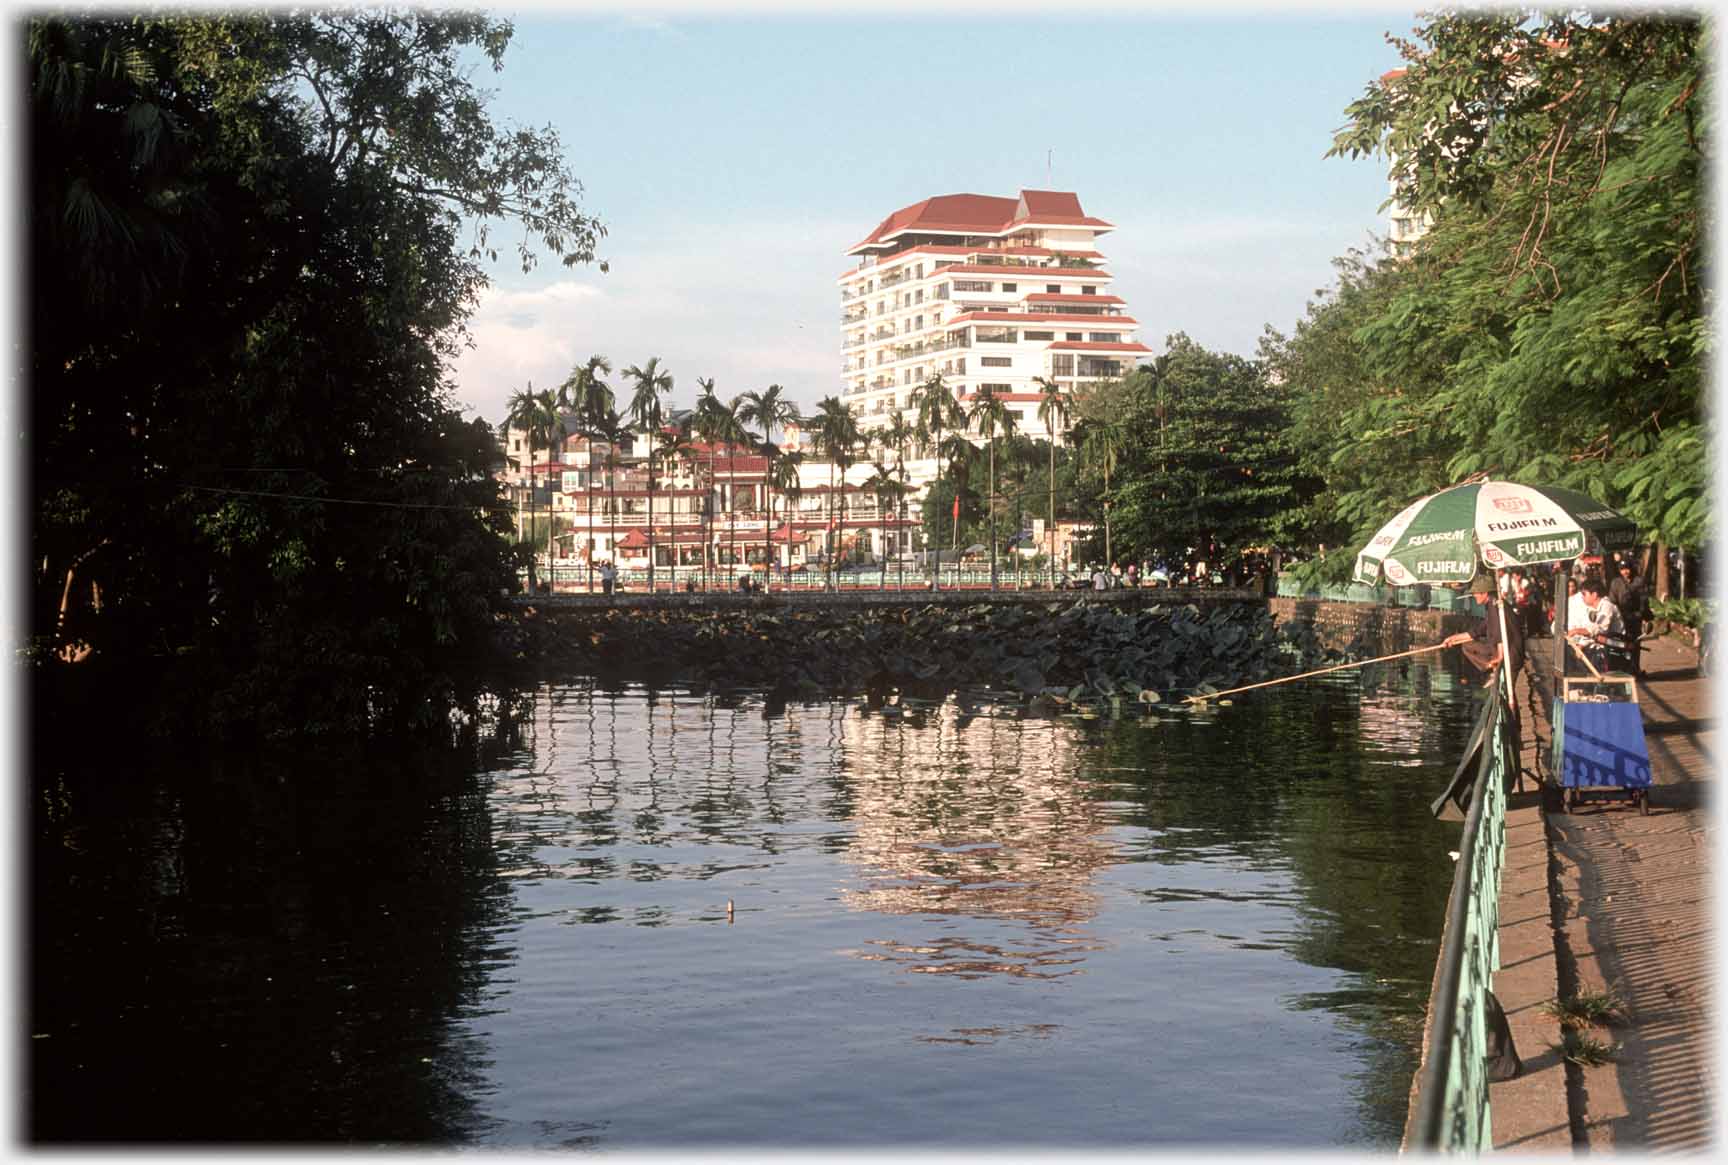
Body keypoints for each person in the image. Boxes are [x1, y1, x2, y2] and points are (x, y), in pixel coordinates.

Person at [1444, 573, 1525, 710]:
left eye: (1476, 593)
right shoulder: (1490, 605)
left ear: (1484, 593)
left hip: (1510, 655)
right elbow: (1478, 630)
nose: (1474, 596)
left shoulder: (1495, 606)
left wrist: (1499, 657)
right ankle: (1490, 667)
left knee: (1506, 693)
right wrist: (1453, 638)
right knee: (1467, 646)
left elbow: (1500, 633)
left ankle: (1512, 720)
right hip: (1501, 651)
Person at [1567, 578, 1628, 674]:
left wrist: (1577, 631)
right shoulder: (1590, 609)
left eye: (1584, 594)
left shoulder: (1607, 606)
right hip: (1598, 648)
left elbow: (1600, 629)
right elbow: (1589, 630)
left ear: (1594, 595)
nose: (1582, 597)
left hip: (1612, 650)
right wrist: (1580, 644)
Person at [1608, 560, 1649, 674]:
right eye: (1622, 569)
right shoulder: (1615, 582)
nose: (1625, 571)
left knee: (1635, 643)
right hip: (1620, 618)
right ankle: (1623, 668)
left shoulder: (1639, 581)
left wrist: (1641, 614)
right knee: (1621, 643)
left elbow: (1644, 600)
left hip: (1635, 618)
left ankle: (1635, 668)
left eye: (1627, 568)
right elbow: (1612, 600)